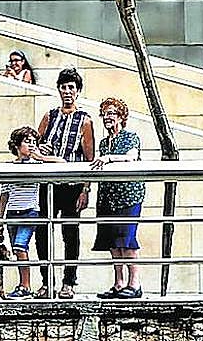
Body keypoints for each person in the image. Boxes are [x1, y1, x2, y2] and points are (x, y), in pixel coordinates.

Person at [36, 67, 95, 299]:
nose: (67, 91)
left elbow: (89, 158)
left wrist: (86, 189)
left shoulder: (85, 121)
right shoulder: (50, 116)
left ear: (77, 91)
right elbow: (35, 144)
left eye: (71, 87)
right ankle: (45, 280)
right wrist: (41, 149)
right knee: (42, 231)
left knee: (70, 233)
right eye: (64, 87)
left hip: (71, 184)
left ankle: (69, 281)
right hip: (48, 183)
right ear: (59, 90)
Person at [0, 126, 59, 299]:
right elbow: (4, 195)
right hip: (12, 213)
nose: (31, 145)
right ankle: (23, 284)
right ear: (16, 145)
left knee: (20, 246)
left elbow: (63, 163)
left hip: (30, 211)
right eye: (27, 141)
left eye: (33, 142)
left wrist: (41, 157)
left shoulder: (37, 165)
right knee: (17, 250)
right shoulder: (9, 167)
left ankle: (25, 285)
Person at [91, 97, 144, 299]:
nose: (107, 117)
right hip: (108, 196)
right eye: (105, 114)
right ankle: (119, 283)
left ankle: (135, 283)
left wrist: (109, 158)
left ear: (121, 116)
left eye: (112, 113)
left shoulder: (130, 137)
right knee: (113, 242)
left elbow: (131, 157)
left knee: (127, 239)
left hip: (128, 195)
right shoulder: (105, 142)